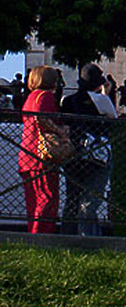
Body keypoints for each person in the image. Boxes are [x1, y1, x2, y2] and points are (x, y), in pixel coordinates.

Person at [61, 63, 118, 236]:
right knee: (90, 200)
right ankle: (88, 238)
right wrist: (106, 93)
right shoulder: (100, 100)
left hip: (74, 154)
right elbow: (113, 118)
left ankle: (66, 237)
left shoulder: (68, 101)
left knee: (72, 199)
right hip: (97, 156)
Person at [18, 65, 64, 233]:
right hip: (41, 154)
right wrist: (62, 131)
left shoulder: (31, 97)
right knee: (47, 197)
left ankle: (34, 231)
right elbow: (44, 120)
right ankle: (41, 234)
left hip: (27, 152)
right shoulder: (45, 97)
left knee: (33, 199)